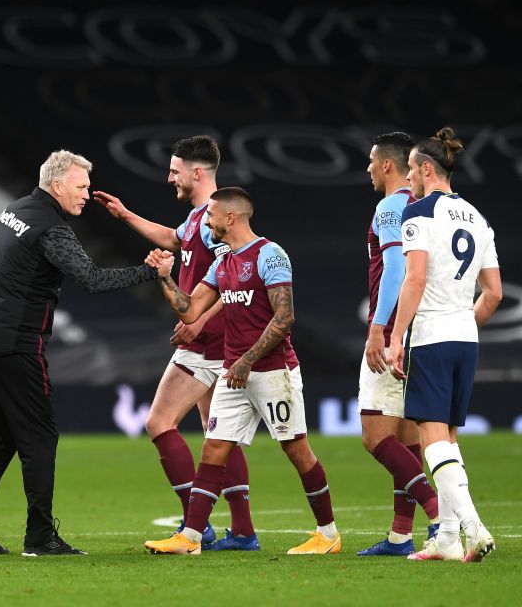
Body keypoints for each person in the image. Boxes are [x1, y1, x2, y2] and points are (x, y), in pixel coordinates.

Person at [0, 150, 159, 557]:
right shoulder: (51, 227)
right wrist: (150, 271)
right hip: (15, 342)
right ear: (58, 184)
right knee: (40, 438)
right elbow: (93, 279)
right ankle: (39, 538)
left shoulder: (16, 209)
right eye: (81, 187)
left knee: (3, 438)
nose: (86, 194)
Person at [145, 187, 340, 556]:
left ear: (230, 218)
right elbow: (190, 310)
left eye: (212, 215)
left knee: (297, 451)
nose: (207, 221)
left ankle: (328, 534)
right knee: (214, 450)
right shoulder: (223, 263)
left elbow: (285, 318)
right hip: (235, 373)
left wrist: (247, 359)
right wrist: (164, 277)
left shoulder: (270, 255)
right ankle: (190, 537)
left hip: (272, 372)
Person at [93, 136, 258, 552]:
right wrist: (126, 215)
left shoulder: (215, 219)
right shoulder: (202, 218)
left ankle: (195, 524)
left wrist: (199, 319)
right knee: (217, 433)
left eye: (174, 170)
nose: (169, 178)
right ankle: (241, 531)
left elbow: (237, 277)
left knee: (159, 422)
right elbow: (174, 238)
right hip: (213, 340)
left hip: (207, 342)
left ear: (196, 172)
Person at [386, 127, 501, 563]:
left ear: (426, 169)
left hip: (432, 336)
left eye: (412, 171)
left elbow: (414, 279)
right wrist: (463, 323)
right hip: (464, 338)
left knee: (430, 436)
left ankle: (474, 528)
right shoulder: (478, 218)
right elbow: (493, 294)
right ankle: (449, 538)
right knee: (448, 439)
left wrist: (397, 337)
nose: (408, 179)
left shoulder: (418, 215)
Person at [357, 133, 441, 556]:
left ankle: (439, 513)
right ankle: (400, 535)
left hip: (394, 330)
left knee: (375, 435)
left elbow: (393, 268)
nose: (369, 168)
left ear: (387, 165)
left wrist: (379, 328)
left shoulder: (391, 206)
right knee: (409, 441)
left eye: (372, 162)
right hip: (425, 329)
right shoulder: (427, 208)